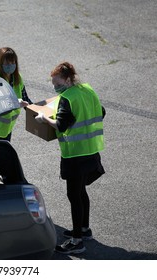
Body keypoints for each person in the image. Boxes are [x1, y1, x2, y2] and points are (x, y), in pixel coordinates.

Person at [35, 62, 105, 254]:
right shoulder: (87, 90)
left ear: (67, 80)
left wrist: (43, 119)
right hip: (91, 150)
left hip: (75, 154)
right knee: (81, 192)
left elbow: (61, 125)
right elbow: (102, 112)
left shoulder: (66, 98)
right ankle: (83, 229)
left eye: (56, 82)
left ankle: (77, 241)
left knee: (74, 195)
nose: (54, 86)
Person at [0, 47, 33, 141]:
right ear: (0, 63)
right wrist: (15, 103)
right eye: (7, 63)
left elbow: (25, 99)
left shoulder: (17, 78)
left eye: (13, 63)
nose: (11, 65)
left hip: (5, 131)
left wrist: (37, 112)